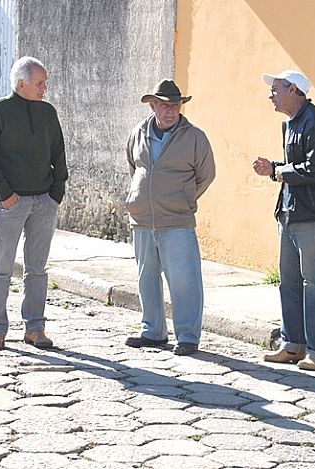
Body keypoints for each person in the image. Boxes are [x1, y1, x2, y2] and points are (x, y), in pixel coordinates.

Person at [253, 70, 315, 371]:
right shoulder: (293, 123)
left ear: (293, 89)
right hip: (291, 212)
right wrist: (275, 168)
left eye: (276, 89)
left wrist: (280, 172)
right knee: (290, 283)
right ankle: (293, 344)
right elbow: (302, 166)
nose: (271, 94)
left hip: (314, 215)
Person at [0, 56, 68, 351]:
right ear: (21, 84)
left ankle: (35, 328)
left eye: (45, 83)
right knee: (1, 268)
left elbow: (59, 153)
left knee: (37, 269)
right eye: (40, 83)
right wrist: (4, 194)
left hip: (43, 201)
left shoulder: (48, 113)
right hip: (10, 203)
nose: (44, 88)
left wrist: (56, 192)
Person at [124, 79, 216, 356]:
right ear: (153, 106)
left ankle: (188, 336)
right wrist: (142, 198)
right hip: (142, 219)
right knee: (147, 278)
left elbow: (206, 175)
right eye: (164, 106)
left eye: (174, 106)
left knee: (184, 279)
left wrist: (183, 198)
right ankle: (153, 331)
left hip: (176, 220)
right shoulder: (138, 132)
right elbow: (134, 166)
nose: (170, 111)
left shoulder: (195, 137)